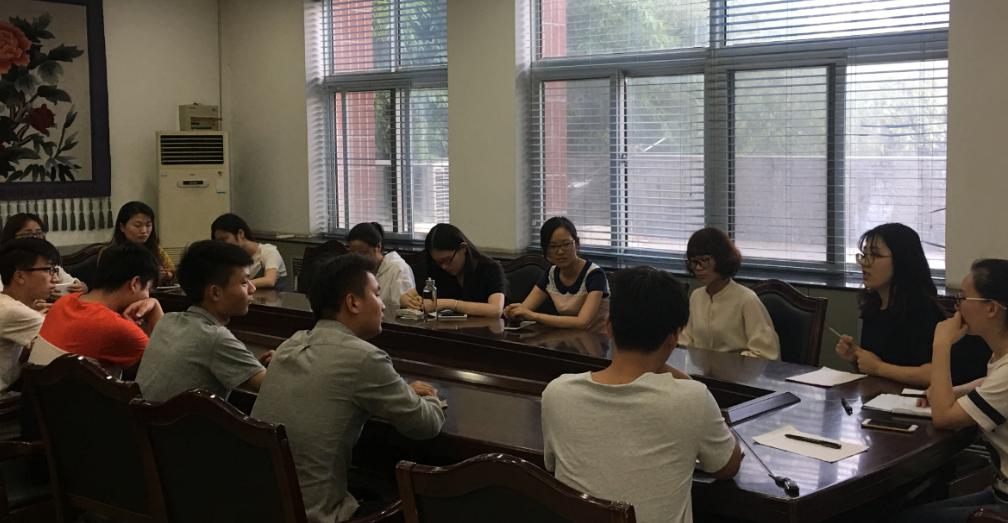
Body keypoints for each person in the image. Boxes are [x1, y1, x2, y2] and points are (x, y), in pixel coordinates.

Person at [251, 254, 444, 522]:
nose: (383, 305)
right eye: (377, 294)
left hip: (264, 505)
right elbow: (426, 425)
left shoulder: (291, 344)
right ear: (353, 303)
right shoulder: (365, 357)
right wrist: (432, 397)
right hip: (314, 514)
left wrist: (400, 391)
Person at [541, 266, 742, 523]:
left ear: (608, 327)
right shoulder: (691, 398)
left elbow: (551, 465)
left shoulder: (558, 393)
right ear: (674, 336)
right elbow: (727, 466)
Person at [894, 259, 1008, 522]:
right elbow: (989, 383)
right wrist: (956, 392)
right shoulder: (1001, 357)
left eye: (963, 298)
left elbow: (944, 417)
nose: (957, 306)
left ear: (991, 308)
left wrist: (941, 345)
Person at [835, 223, 989, 386]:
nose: (865, 263)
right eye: (864, 255)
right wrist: (856, 357)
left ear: (902, 261)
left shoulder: (922, 310)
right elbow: (874, 367)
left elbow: (935, 373)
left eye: (875, 255)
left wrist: (879, 368)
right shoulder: (873, 306)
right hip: (881, 396)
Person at [136, 240, 272, 402]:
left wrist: (247, 365)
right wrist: (280, 361)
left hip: (143, 416)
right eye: (244, 282)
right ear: (215, 293)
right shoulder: (216, 338)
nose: (252, 288)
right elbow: (273, 387)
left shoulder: (167, 320)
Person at [32, 243, 163, 375]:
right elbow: (167, 367)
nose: (148, 297)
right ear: (135, 283)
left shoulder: (63, 302)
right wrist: (155, 310)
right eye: (148, 289)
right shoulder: (116, 326)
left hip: (36, 386)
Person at [679, 227, 780, 359]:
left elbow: (765, 353)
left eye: (704, 260)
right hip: (699, 369)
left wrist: (728, 363)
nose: (698, 268)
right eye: (693, 262)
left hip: (738, 370)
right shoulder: (696, 297)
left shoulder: (746, 299)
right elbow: (685, 342)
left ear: (721, 259)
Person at [504, 216, 608, 330]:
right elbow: (525, 309)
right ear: (546, 250)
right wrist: (514, 312)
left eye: (566, 244)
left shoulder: (595, 275)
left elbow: (582, 322)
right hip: (567, 336)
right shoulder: (551, 274)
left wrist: (534, 316)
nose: (560, 251)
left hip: (596, 338)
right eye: (553, 246)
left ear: (576, 243)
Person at [400, 223, 506, 318]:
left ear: (463, 248)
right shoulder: (438, 269)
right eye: (439, 262)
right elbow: (406, 297)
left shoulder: (490, 268)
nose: (444, 267)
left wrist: (451, 304)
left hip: (485, 331)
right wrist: (410, 302)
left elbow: (496, 310)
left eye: (448, 260)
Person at [0, 239, 60, 396]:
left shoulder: (6, 303)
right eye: (49, 270)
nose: (55, 279)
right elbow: (66, 338)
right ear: (20, 276)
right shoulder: (11, 310)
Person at [0, 213, 84, 294]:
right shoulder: (5, 264)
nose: (35, 238)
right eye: (27, 234)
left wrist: (81, 288)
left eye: (39, 233)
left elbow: (76, 284)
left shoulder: (46, 262)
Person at [346, 222, 415, 310]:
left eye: (363, 253)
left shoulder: (397, 268)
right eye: (353, 254)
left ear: (378, 247)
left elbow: (406, 310)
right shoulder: (355, 269)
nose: (357, 259)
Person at [211, 213, 288, 290]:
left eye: (224, 239)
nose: (222, 245)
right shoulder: (232, 258)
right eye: (218, 242)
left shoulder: (268, 251)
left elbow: (269, 280)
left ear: (240, 234)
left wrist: (238, 285)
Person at [113, 201, 175, 284]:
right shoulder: (110, 253)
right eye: (137, 225)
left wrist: (167, 275)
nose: (144, 231)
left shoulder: (156, 249)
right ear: (122, 227)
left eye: (148, 225)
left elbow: (172, 272)